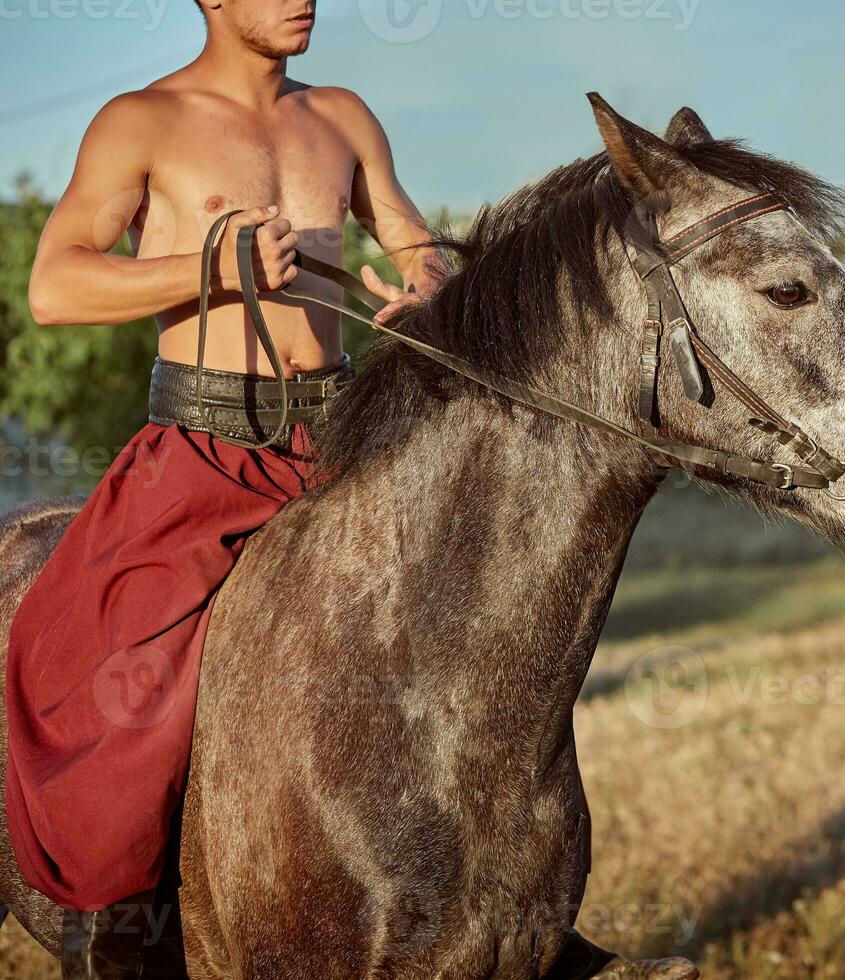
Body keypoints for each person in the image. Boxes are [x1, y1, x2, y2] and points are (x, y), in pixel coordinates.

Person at [7, 1, 437, 974]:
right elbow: (56, 286)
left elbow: (415, 239)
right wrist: (211, 267)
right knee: (121, 677)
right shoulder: (140, 121)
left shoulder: (344, 116)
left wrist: (428, 284)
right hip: (201, 452)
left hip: (340, 443)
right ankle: (127, 921)